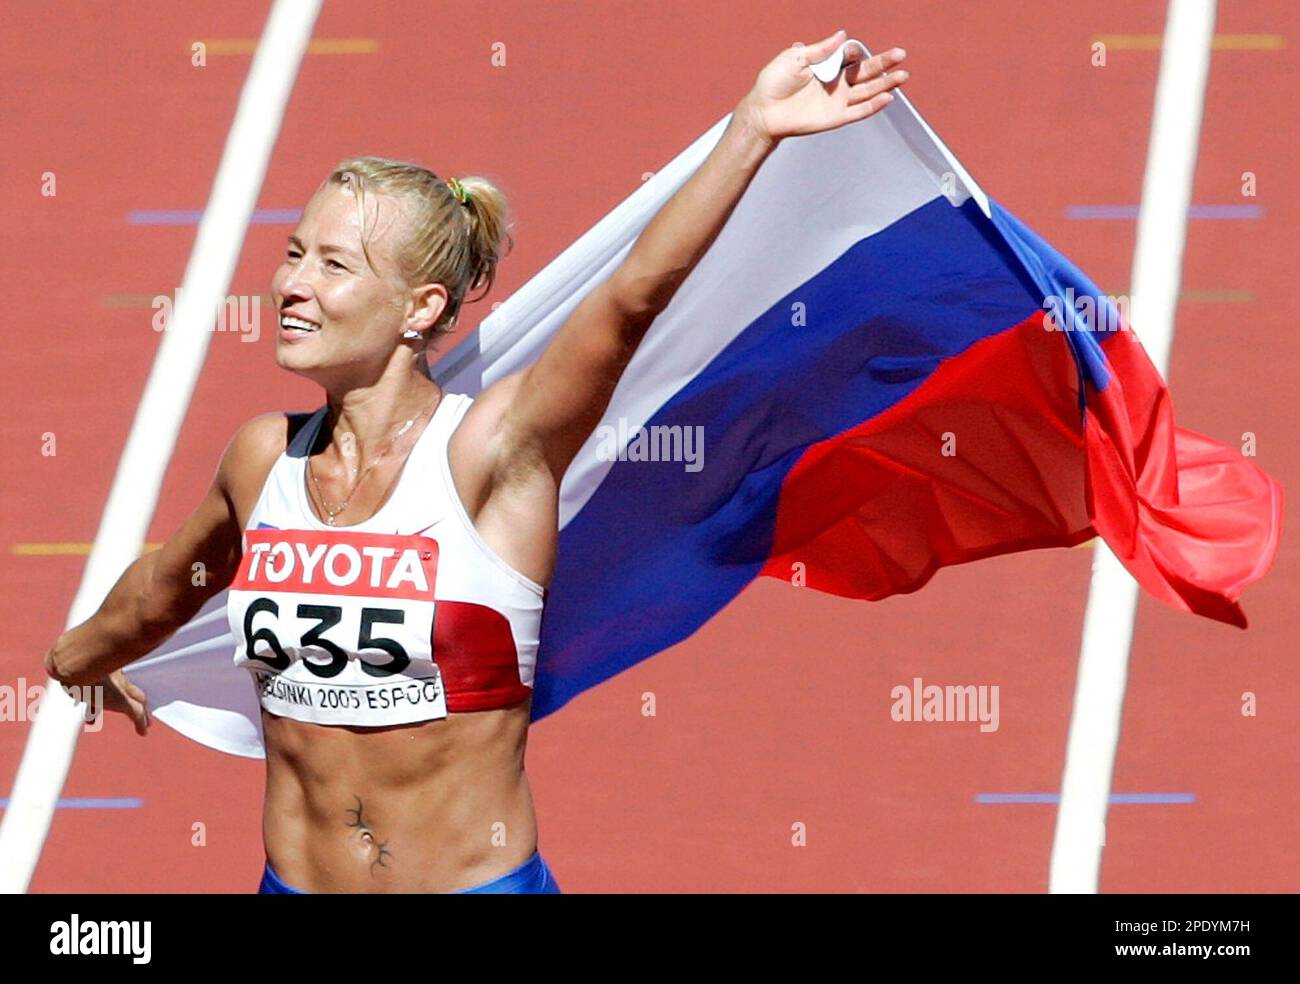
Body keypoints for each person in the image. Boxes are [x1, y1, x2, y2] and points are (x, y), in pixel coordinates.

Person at [43, 30, 908, 894]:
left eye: (333, 266)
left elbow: (632, 297)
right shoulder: (262, 457)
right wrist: (73, 662)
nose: (291, 286)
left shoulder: (495, 452)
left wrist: (753, 126)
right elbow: (165, 587)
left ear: (419, 307)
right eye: (294, 253)